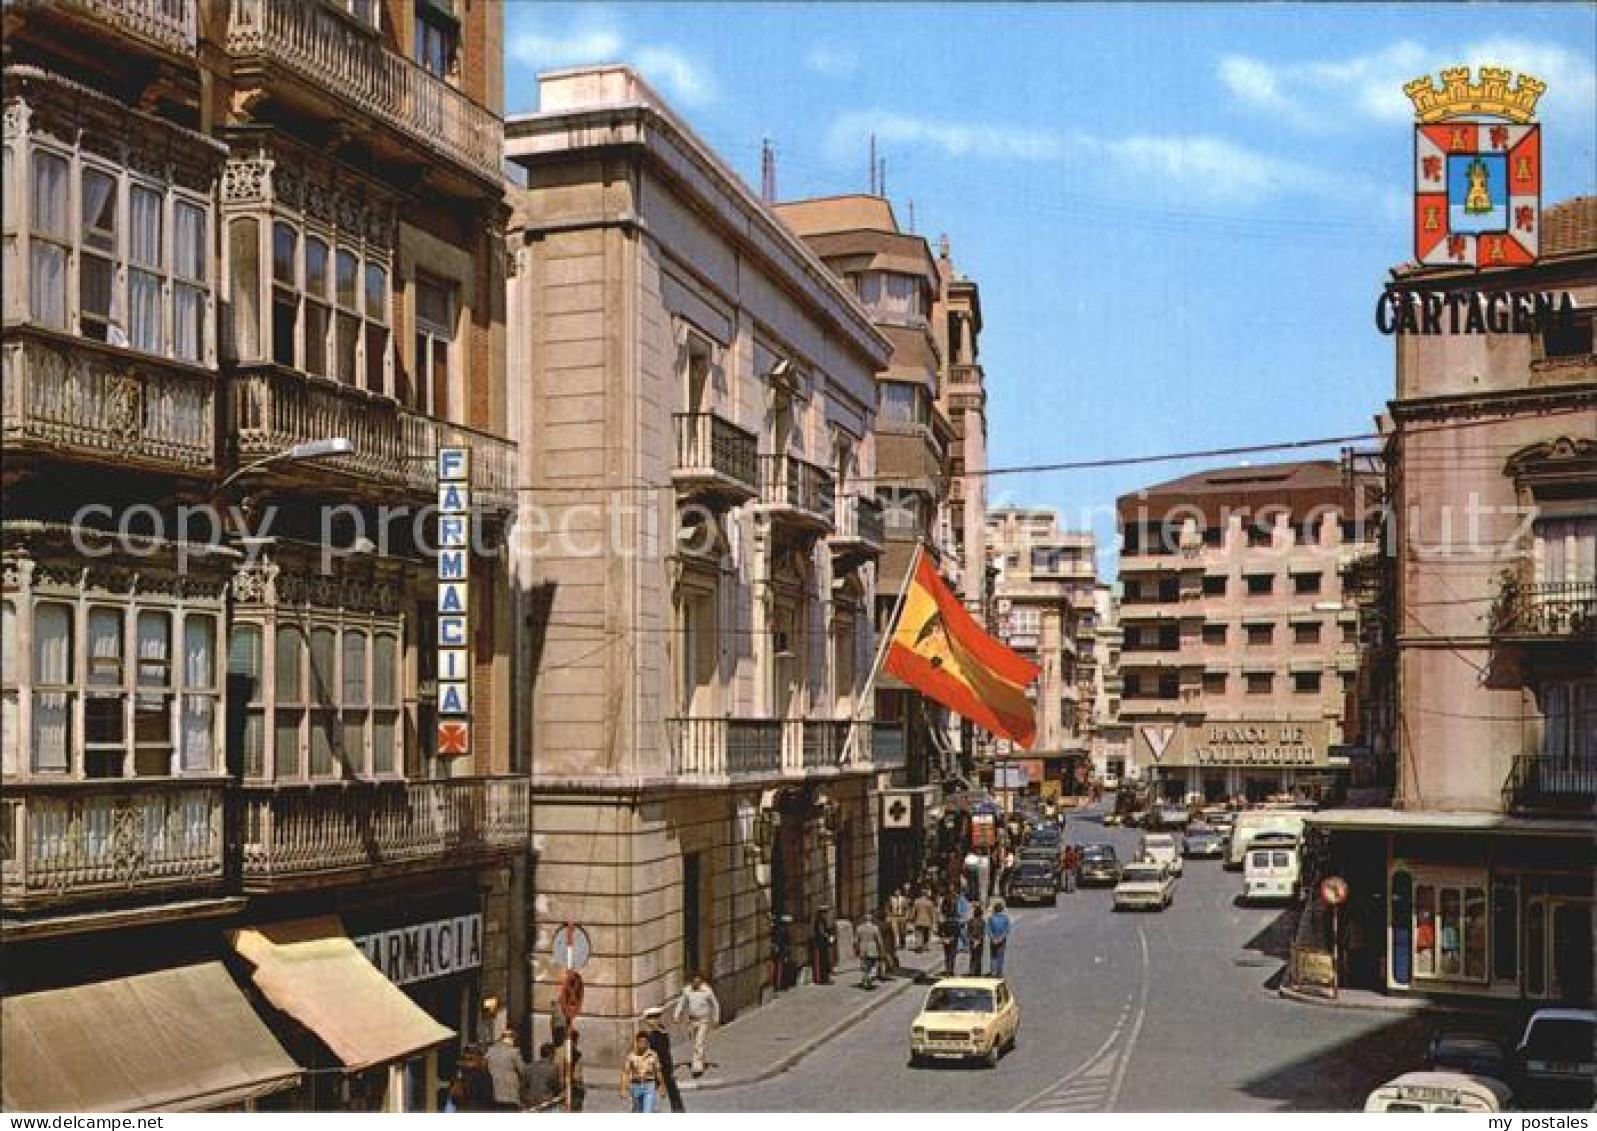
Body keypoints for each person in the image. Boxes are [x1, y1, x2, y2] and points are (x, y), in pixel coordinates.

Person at [673, 971, 721, 1077]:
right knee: (696, 1043)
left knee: (699, 1042)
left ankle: (697, 1067)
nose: (695, 982)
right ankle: (700, 1060)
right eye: (694, 981)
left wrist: (716, 1019)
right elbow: (681, 1003)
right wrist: (676, 1015)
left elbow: (715, 1004)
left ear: (701, 981)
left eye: (698, 980)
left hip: (703, 1020)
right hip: (692, 1021)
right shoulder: (687, 991)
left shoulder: (707, 991)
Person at [642, 1006, 686, 1112]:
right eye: (651, 1018)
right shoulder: (651, 1034)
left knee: (670, 1088)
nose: (653, 1021)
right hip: (655, 1067)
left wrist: (669, 1066)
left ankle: (678, 1110)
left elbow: (664, 1051)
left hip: (663, 1066)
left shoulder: (660, 1033)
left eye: (656, 1018)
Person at [620, 1031, 666, 1113]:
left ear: (648, 1043)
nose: (643, 1045)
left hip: (649, 1086)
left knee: (647, 1111)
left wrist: (662, 1086)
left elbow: (658, 1071)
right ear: (637, 1042)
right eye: (641, 1042)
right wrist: (623, 1089)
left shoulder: (653, 1055)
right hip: (635, 1086)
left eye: (645, 1042)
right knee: (638, 1111)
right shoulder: (631, 1056)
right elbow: (625, 1072)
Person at [483, 1028, 527, 1112]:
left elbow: (484, 1064)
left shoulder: (490, 1050)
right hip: (509, 1090)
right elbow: (523, 1070)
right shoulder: (513, 1051)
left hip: (493, 1087)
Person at [552, 1029, 586, 1112]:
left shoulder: (557, 1052)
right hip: (571, 1090)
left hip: (558, 1090)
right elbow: (577, 1077)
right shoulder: (576, 1054)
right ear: (575, 1040)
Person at [854, 911, 885, 989]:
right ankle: (869, 977)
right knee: (873, 964)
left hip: (863, 947)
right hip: (872, 948)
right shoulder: (875, 928)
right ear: (871, 919)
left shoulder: (859, 928)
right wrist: (881, 948)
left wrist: (856, 948)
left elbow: (855, 940)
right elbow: (879, 940)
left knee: (865, 965)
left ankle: (866, 979)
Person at [525, 1042, 559, 1112]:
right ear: (551, 1054)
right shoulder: (553, 1068)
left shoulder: (529, 1067)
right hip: (546, 1103)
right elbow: (555, 1086)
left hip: (531, 1103)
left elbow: (524, 1086)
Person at [810, 910, 836, 984]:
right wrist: (828, 937)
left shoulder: (823, 921)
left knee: (825, 962)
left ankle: (825, 979)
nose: (826, 914)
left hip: (823, 944)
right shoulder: (819, 921)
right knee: (821, 962)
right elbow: (822, 932)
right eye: (824, 913)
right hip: (820, 944)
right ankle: (821, 979)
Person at [988, 900, 1013, 977]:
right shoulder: (1005, 918)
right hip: (1002, 940)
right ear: (1002, 909)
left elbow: (988, 929)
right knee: (1000, 956)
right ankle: (999, 972)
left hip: (993, 939)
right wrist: (1001, 938)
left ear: (994, 909)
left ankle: (993, 971)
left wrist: (993, 938)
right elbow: (1007, 929)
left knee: (993, 956)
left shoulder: (991, 918)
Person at [937, 899, 961, 977]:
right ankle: (950, 970)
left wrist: (943, 937)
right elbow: (958, 932)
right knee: (952, 955)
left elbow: (939, 932)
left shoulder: (943, 923)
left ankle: (948, 969)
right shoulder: (955, 923)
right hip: (953, 940)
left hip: (946, 940)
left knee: (947, 955)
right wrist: (952, 937)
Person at [967, 904, 986, 976]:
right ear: (981, 914)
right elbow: (983, 933)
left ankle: (971, 971)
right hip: (980, 941)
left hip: (972, 941)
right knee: (979, 956)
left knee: (972, 956)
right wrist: (978, 940)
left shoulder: (970, 921)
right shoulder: (982, 922)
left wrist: (973, 940)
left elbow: (968, 932)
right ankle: (978, 972)